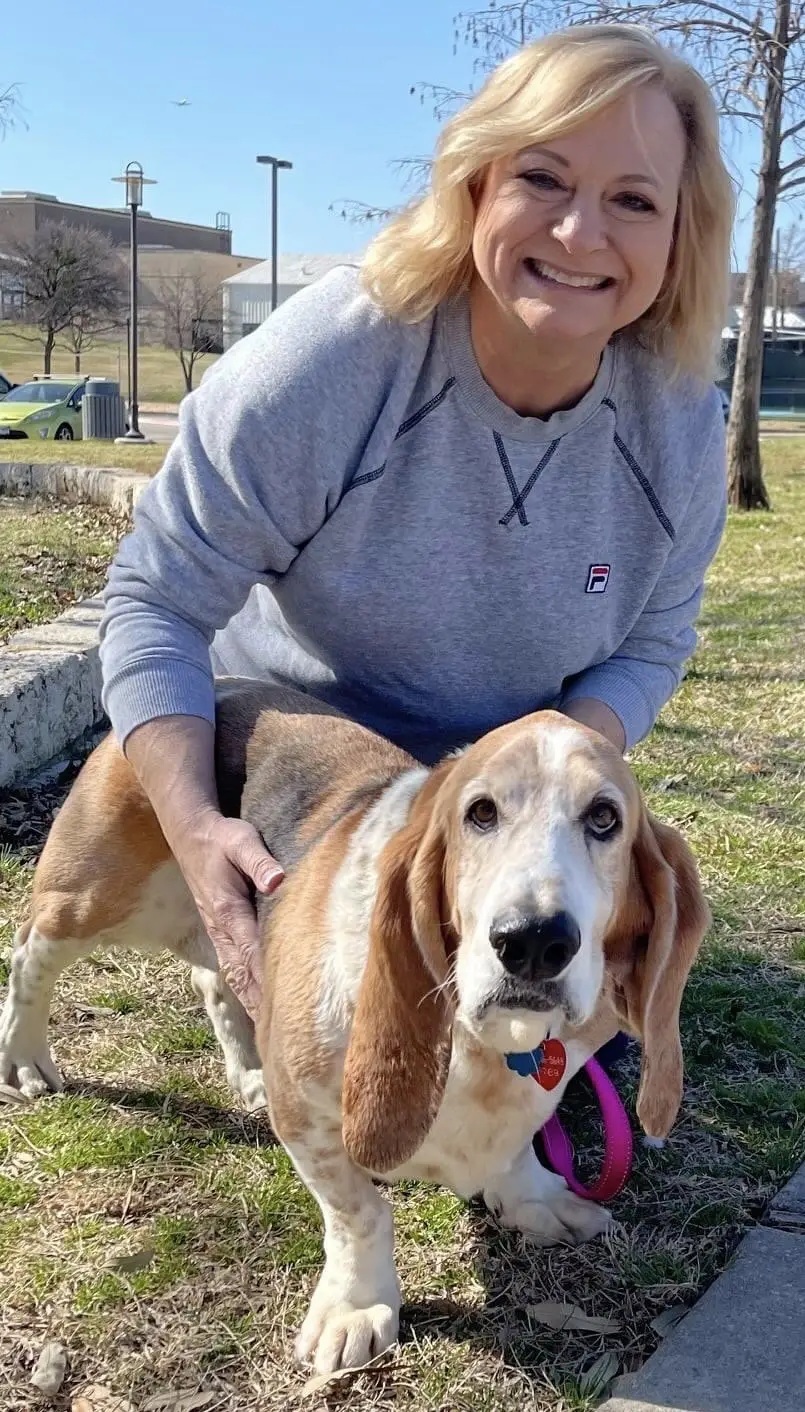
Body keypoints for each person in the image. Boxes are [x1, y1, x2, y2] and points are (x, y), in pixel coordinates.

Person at [99, 24, 734, 1021]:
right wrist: (194, 828)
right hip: (302, 785)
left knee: (575, 1060)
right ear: (474, 184)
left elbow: (652, 642)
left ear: (678, 237)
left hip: (502, 806)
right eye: (542, 178)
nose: (579, 233)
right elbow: (156, 600)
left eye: (633, 200)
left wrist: (542, 785)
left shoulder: (682, 426)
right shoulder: (331, 363)